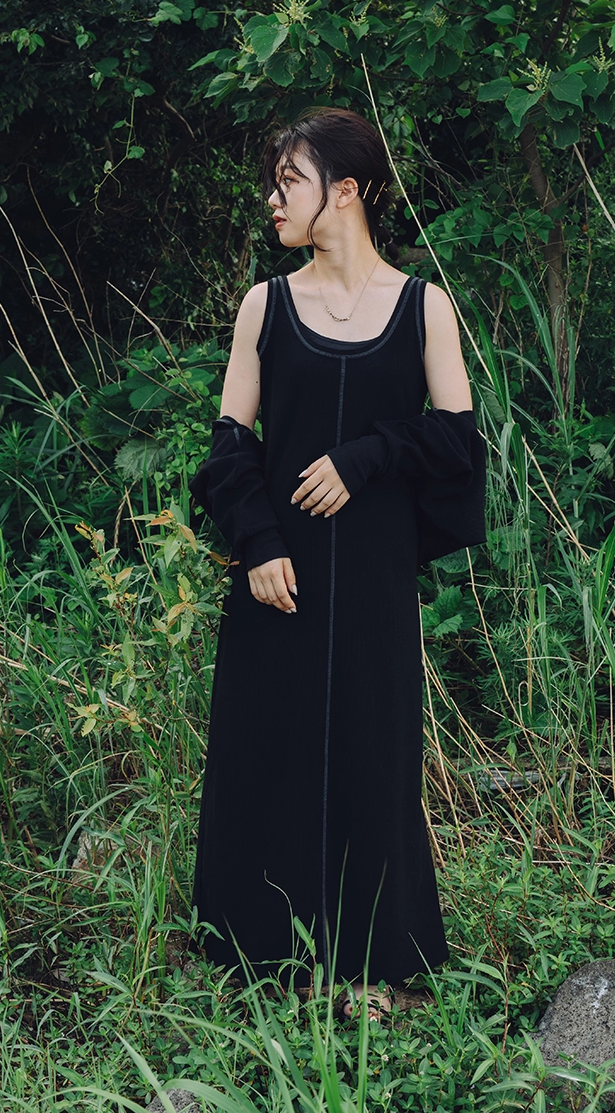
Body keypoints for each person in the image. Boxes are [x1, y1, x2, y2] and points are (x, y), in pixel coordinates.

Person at [189, 107, 486, 1020]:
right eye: (274, 181)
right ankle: (263, 953)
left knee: (370, 755)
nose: (272, 199)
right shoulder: (265, 306)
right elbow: (227, 444)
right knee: (267, 752)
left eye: (290, 180)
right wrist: (257, 540)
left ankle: (373, 966)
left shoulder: (423, 305)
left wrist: (365, 458)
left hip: (371, 581)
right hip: (277, 581)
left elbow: (459, 444)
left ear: (346, 190)